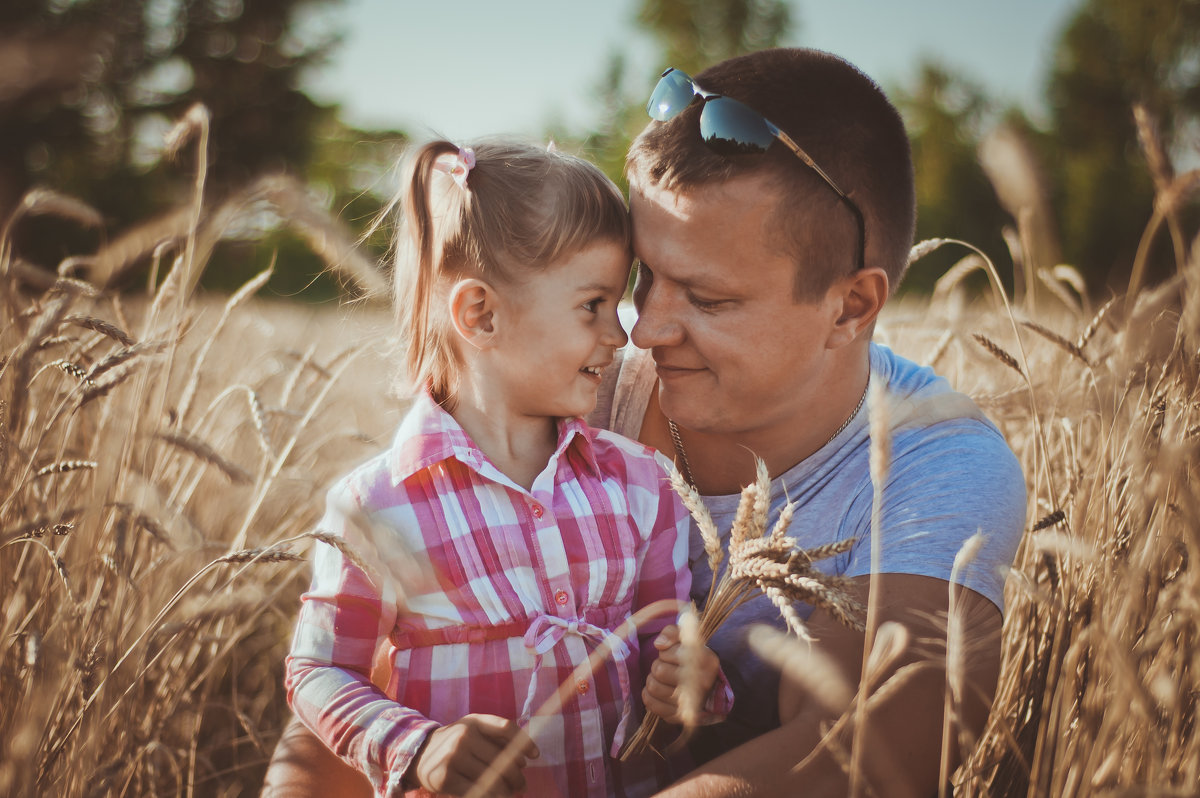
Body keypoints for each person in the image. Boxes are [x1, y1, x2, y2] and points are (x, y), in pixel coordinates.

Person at [264, 47, 1026, 797]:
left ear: (852, 305)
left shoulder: (936, 464)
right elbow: (375, 671)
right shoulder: (570, 386)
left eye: (708, 298)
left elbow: (875, 751)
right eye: (645, 276)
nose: (643, 329)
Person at [283, 139, 729, 798]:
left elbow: (669, 637)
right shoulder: (376, 506)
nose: (621, 333)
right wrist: (420, 744)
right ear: (481, 314)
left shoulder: (642, 484)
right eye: (593, 305)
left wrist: (692, 681)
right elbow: (318, 672)